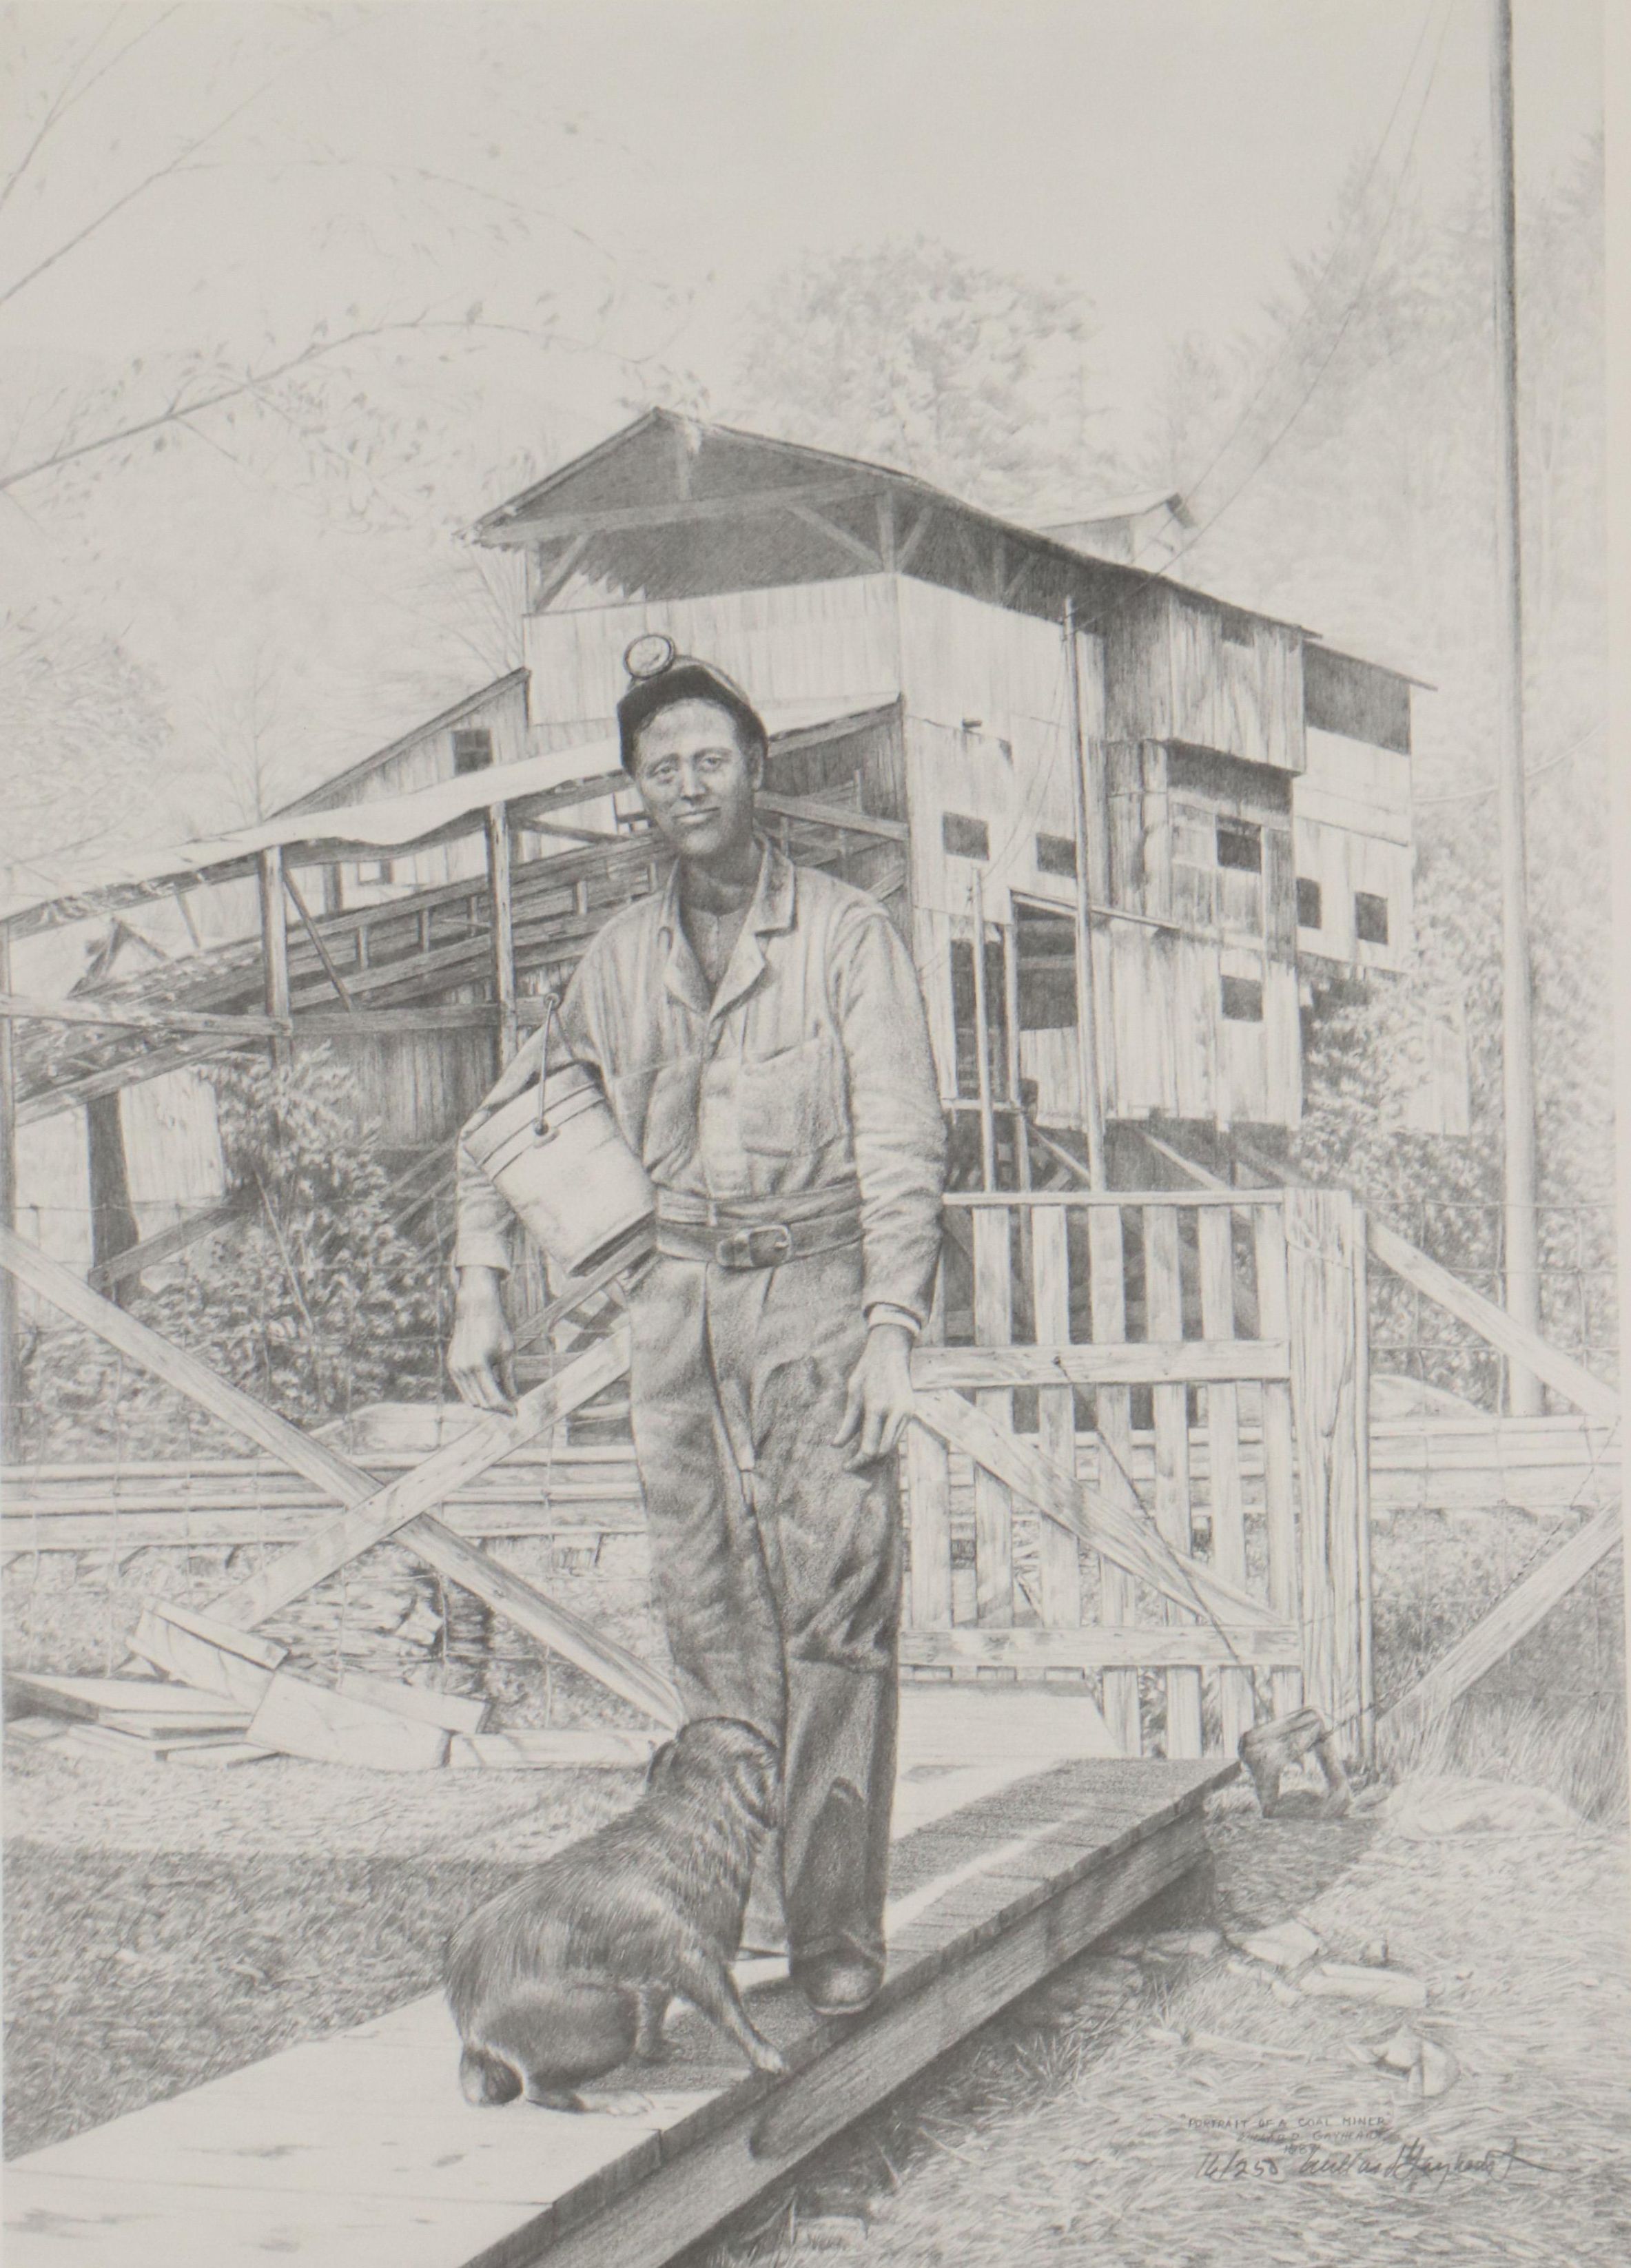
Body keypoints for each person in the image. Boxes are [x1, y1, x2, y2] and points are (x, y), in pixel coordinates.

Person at [448, 640, 946, 2016]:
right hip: (669, 1308)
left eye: (708, 759)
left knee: (836, 1605)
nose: (686, 784)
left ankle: (834, 1932)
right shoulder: (613, 958)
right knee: (705, 1611)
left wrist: (894, 1321)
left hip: (819, 1295)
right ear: (634, 793)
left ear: (755, 769)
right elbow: (506, 1120)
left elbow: (903, 1134)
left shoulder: (847, 933)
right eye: (659, 767)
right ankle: (714, 1916)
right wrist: (477, 1280)